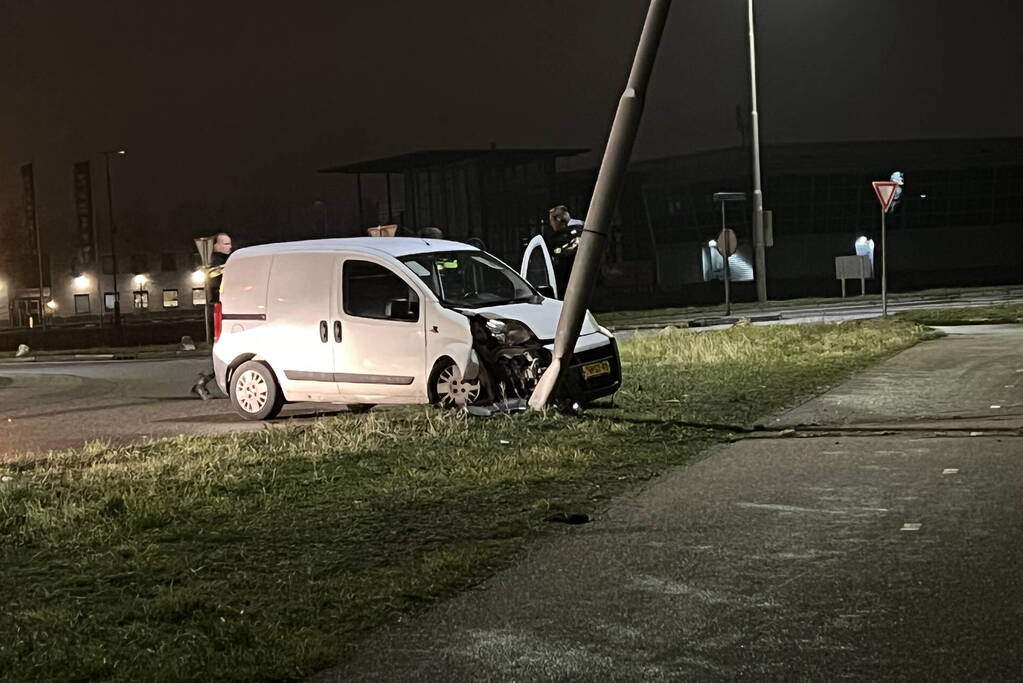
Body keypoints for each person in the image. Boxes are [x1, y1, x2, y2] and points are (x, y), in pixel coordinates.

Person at [192, 232, 232, 399]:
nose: (230, 247)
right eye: (225, 244)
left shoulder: (224, 262)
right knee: (225, 351)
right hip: (221, 311)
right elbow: (215, 280)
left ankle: (203, 382)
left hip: (225, 309)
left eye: (230, 243)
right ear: (215, 246)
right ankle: (202, 382)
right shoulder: (216, 264)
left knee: (227, 351)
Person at [546, 205, 583, 295]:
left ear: (558, 219)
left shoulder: (569, 232)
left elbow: (570, 249)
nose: (551, 224)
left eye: (552, 221)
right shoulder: (582, 228)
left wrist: (557, 252)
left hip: (568, 274)